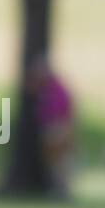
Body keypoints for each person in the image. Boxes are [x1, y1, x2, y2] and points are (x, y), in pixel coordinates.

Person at [31, 59, 75, 199]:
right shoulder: (45, 89)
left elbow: (65, 112)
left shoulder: (58, 89)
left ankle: (63, 191)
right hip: (49, 127)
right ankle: (57, 189)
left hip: (57, 127)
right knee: (53, 164)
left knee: (60, 163)